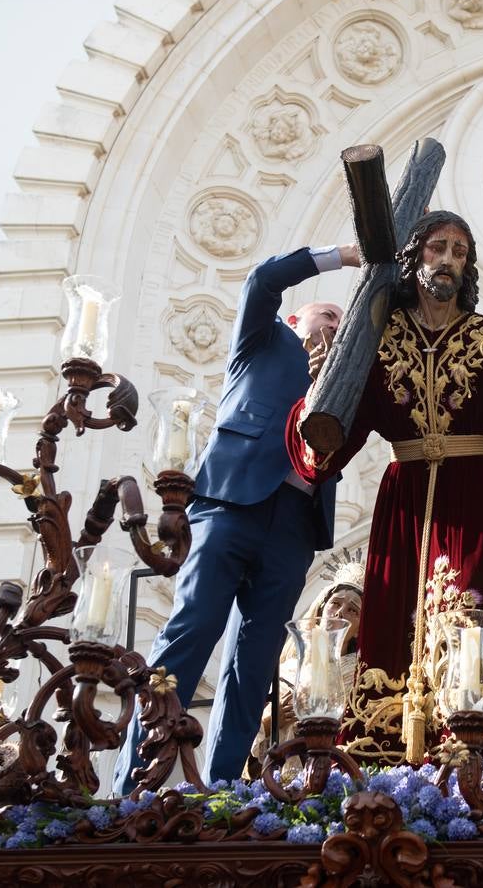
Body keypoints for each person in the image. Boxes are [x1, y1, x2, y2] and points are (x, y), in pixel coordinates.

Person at [287, 210, 483, 764]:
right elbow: (329, 439)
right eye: (439, 248)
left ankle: (479, 753)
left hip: (476, 499)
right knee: (393, 623)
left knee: (473, 614)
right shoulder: (377, 341)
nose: (449, 261)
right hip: (403, 500)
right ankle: (384, 752)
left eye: (460, 253)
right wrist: (321, 388)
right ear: (416, 257)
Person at [113, 242, 358, 794]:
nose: (333, 327)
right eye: (327, 315)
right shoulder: (263, 341)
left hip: (294, 526)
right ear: (297, 320)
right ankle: (129, 782)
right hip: (230, 506)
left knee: (254, 664)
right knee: (189, 634)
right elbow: (261, 280)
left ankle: (222, 788)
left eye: (341, 323)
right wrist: (341, 256)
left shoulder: (346, 379)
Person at [247, 549, 365, 775]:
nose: (340, 613)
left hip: (331, 772)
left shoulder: (361, 677)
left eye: (353, 610)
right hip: (276, 775)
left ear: (361, 629)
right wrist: (271, 719)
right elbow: (246, 739)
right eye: (335, 603)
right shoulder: (286, 669)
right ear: (321, 608)